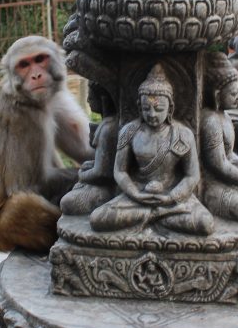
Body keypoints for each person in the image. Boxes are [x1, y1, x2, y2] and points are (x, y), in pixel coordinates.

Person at [90, 65, 214, 234]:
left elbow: (192, 175)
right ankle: (156, 218)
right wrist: (135, 194)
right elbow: (120, 171)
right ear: (139, 107)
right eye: (146, 108)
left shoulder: (182, 134)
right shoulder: (129, 131)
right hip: (137, 197)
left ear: (170, 108)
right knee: (98, 219)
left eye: (159, 109)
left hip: (172, 200)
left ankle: (148, 219)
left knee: (205, 223)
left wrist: (172, 197)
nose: (152, 114)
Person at [201, 53, 238, 222]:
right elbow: (218, 163)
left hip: (225, 176)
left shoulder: (224, 116)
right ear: (217, 95)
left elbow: (229, 154)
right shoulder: (210, 120)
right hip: (211, 183)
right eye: (233, 93)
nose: (237, 96)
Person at [61, 84, 118, 216]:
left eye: (91, 98)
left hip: (108, 186)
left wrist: (81, 174)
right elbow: (100, 161)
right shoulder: (105, 124)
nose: (88, 101)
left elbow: (102, 172)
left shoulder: (108, 129)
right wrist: (87, 167)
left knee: (67, 202)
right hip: (99, 179)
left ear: (102, 99)